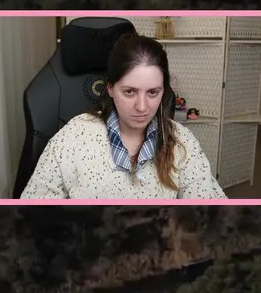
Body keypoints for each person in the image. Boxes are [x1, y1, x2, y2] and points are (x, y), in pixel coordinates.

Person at [20, 34, 227, 200]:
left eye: (153, 92)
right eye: (129, 92)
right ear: (110, 88)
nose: (142, 107)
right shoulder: (74, 136)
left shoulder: (181, 141)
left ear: (164, 91)